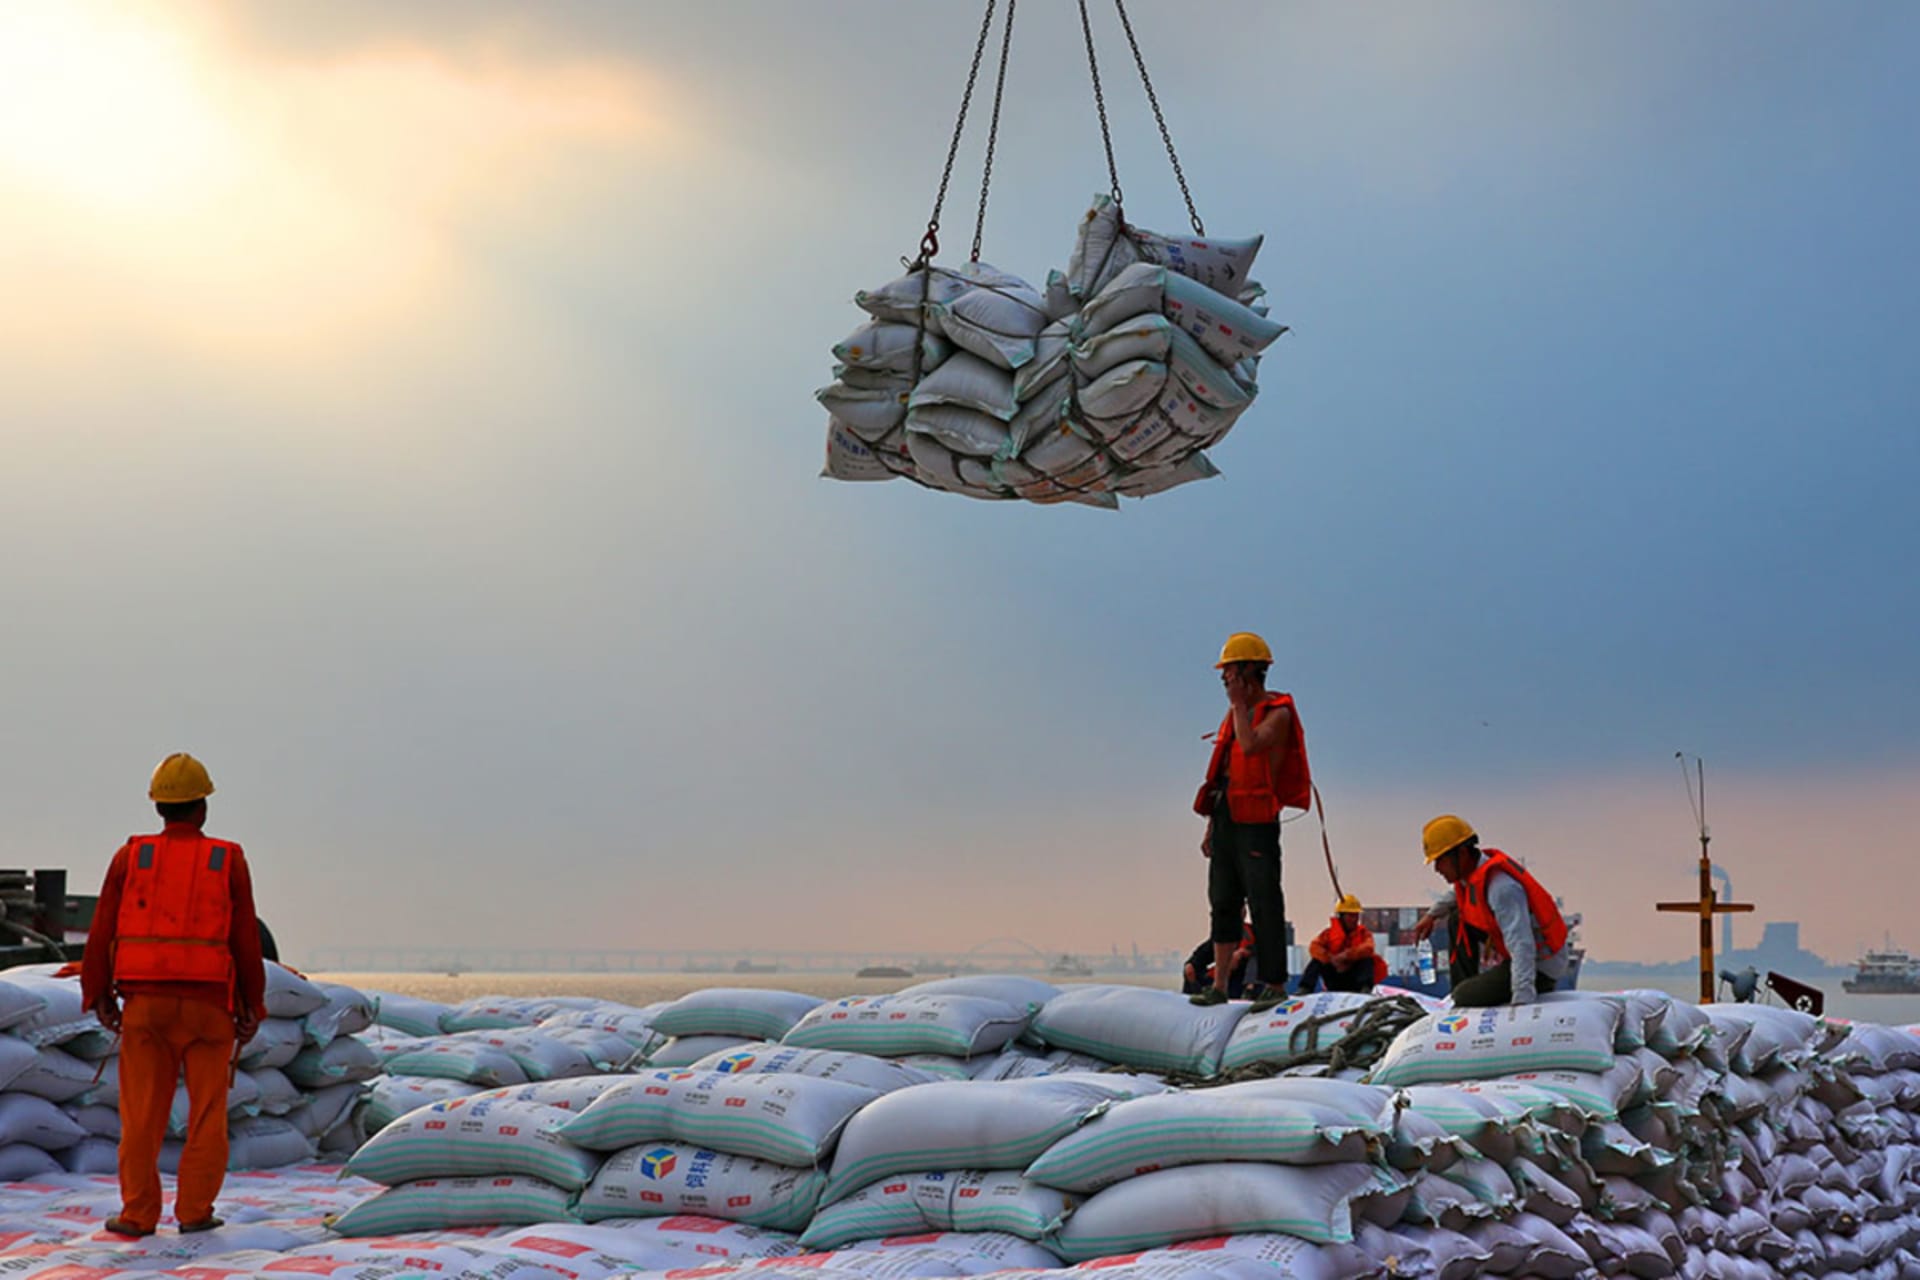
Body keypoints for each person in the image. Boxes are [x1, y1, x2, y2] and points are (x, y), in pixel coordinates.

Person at [81, 753, 267, 1238]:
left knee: (141, 1116)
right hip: (210, 1009)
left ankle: (137, 1215)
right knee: (207, 1116)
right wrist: (254, 1004)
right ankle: (195, 1212)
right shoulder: (226, 859)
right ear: (202, 807)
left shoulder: (131, 857)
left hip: (146, 1008)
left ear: (159, 808)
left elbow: (101, 931)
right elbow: (246, 940)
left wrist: (97, 993)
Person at [1189, 631, 1310, 1011]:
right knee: (1223, 900)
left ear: (1248, 672)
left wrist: (1239, 706)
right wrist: (1211, 826)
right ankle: (1219, 985)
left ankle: (1274, 984)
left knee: (1264, 901)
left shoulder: (1278, 713)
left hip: (1257, 821)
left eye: (1229, 672)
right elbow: (1227, 769)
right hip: (1227, 815)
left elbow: (1252, 745)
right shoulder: (1234, 715)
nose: (1224, 679)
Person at [1410, 814, 1569, 1007]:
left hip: (1540, 967)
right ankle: (1461, 991)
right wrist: (1431, 915)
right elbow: (1457, 895)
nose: (1437, 868)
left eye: (1440, 860)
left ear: (1462, 854)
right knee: (1457, 919)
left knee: (1463, 995)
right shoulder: (1474, 874)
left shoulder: (1502, 889)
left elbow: (1522, 945)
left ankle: (1462, 997)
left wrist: (1522, 1000)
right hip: (1521, 957)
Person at [1295, 894, 1384, 993]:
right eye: (1351, 916)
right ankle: (1305, 989)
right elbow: (1314, 947)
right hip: (1334, 977)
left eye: (1356, 915)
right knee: (1316, 961)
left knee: (1367, 960)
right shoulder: (1328, 934)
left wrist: (1347, 956)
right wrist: (1331, 958)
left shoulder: (1363, 933)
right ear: (1341, 916)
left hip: (1355, 980)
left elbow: (1369, 948)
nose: (1354, 919)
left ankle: (1365, 989)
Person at [1181, 920, 1256, 998]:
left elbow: (1261, 950)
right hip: (1218, 977)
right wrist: (1192, 964)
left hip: (1240, 980)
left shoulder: (1253, 931)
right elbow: (1204, 952)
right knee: (1191, 969)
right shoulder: (1225, 931)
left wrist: (1244, 952)